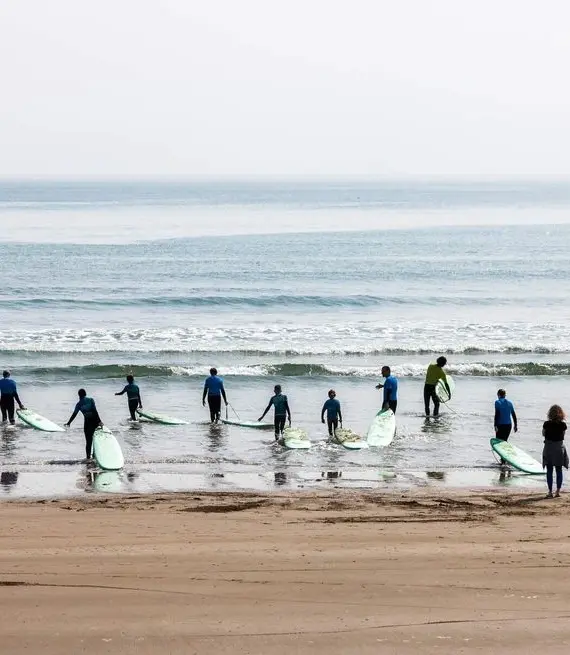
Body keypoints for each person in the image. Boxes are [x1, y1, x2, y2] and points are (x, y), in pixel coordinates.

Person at [65, 389, 103, 460]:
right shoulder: (91, 400)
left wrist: (69, 423)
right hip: (95, 421)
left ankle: (88, 458)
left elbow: (74, 414)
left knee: (88, 441)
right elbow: (95, 411)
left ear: (79, 395)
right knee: (96, 439)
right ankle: (96, 456)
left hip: (87, 423)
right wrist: (99, 421)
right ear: (85, 393)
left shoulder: (78, 404)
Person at [542, 404, 569, 498]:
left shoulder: (546, 424)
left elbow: (543, 434)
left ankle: (550, 492)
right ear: (561, 414)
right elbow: (563, 436)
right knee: (559, 470)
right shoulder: (563, 425)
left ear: (550, 413)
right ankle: (557, 492)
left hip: (549, 448)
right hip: (559, 449)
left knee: (549, 470)